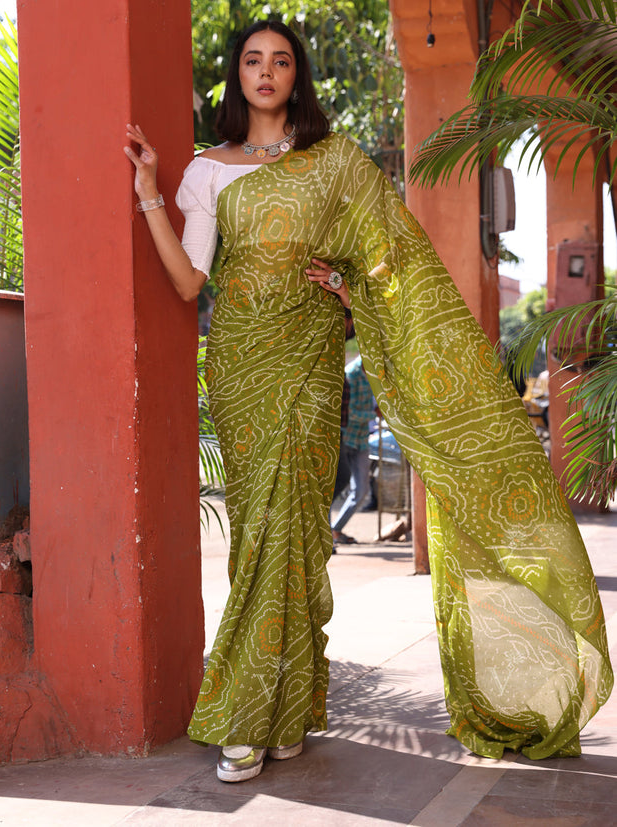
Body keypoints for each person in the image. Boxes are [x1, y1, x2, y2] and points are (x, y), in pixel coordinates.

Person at [124, 20, 613, 782]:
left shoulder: (338, 164)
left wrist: (352, 290)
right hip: (243, 366)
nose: (265, 72)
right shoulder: (206, 171)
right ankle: (252, 715)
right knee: (260, 528)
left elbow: (394, 260)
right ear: (236, 76)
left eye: (281, 61)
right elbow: (191, 283)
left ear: (297, 78)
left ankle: (276, 714)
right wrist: (152, 193)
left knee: (301, 531)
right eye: (252, 60)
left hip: (315, 360)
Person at [331, 355, 374, 546]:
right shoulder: (350, 374)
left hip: (361, 440)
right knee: (337, 484)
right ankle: (329, 532)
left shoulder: (374, 373)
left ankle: (334, 529)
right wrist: (374, 413)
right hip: (345, 438)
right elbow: (349, 413)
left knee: (361, 490)